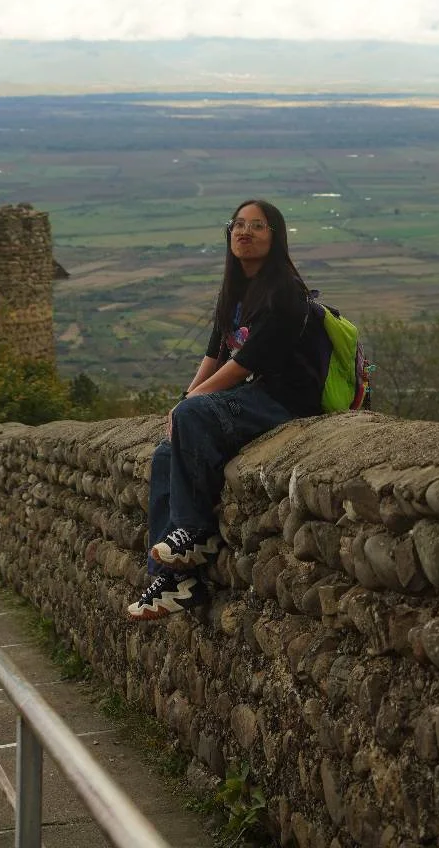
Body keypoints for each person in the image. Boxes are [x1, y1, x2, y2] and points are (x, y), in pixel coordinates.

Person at [127, 199, 324, 621]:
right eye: (238, 224)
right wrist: (186, 399)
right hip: (254, 396)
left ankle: (195, 534)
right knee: (166, 453)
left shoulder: (285, 292)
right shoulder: (235, 292)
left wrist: (190, 405)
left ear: (276, 236)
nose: (245, 232)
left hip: (285, 403)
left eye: (258, 226)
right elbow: (215, 355)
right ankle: (172, 579)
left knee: (191, 417)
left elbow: (244, 364)